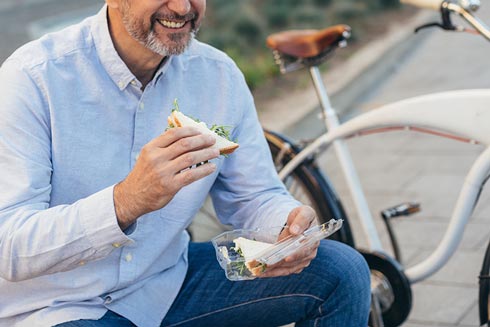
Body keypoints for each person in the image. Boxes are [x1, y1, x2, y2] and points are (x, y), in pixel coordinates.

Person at [0, 0, 371, 326]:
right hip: (59, 305)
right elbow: (8, 244)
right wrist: (126, 201)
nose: (182, 7)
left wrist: (287, 225)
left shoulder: (218, 75)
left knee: (342, 271)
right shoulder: (34, 78)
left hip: (165, 283)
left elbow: (254, 194)